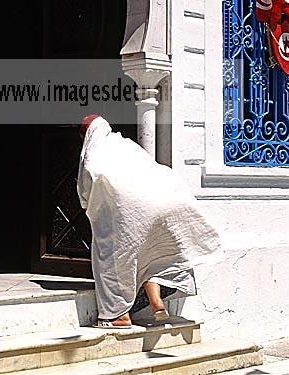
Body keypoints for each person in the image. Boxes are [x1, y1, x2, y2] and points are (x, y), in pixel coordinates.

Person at [77, 114, 221, 329]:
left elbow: (87, 184)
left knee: (113, 255)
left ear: (87, 134)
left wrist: (88, 204)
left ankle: (118, 315)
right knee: (150, 256)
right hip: (168, 198)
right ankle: (156, 303)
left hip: (133, 207)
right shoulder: (126, 145)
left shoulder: (95, 149)